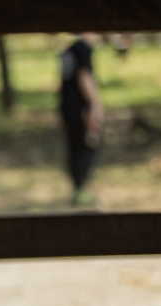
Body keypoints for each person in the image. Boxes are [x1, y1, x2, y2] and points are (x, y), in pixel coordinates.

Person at [60, 33, 105, 207]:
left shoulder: (69, 49)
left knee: (74, 148)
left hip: (67, 107)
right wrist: (95, 105)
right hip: (80, 109)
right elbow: (85, 75)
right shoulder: (83, 48)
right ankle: (81, 188)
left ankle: (78, 188)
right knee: (85, 148)